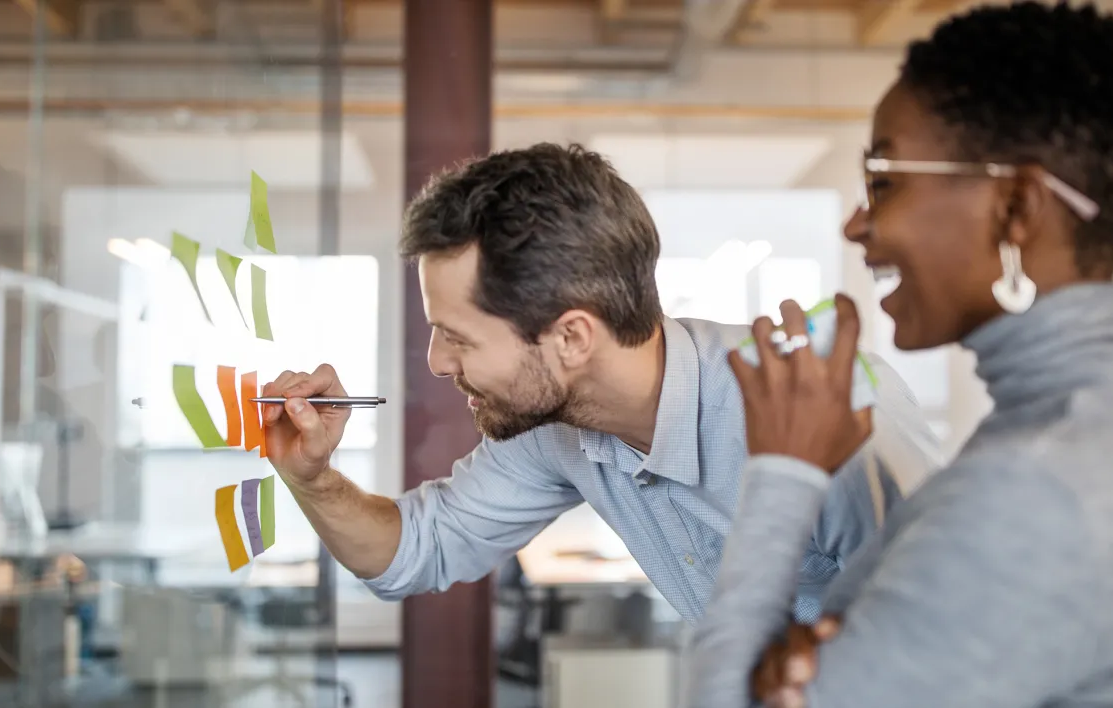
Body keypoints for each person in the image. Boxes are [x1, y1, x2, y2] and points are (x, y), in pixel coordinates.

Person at [682, 2, 1113, 707]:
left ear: (1016, 209)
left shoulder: (1034, 491)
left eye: (883, 182)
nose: (857, 224)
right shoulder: (1104, 421)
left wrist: (784, 470)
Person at [259, 143, 941, 626]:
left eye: (459, 337)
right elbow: (416, 552)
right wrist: (313, 479)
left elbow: (960, 636)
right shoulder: (555, 422)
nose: (438, 362)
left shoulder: (828, 406)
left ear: (573, 338)